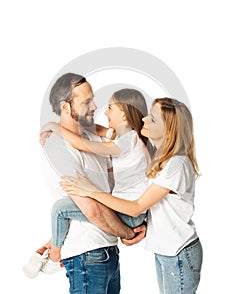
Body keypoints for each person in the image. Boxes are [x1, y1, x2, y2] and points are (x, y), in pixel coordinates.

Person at [61, 97, 203, 294]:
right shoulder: (162, 158)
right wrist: (146, 227)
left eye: (152, 119)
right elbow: (160, 205)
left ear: (169, 131)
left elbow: (137, 206)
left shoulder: (175, 165)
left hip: (179, 252)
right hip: (168, 250)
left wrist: (91, 191)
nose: (144, 119)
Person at [23, 73, 145, 294]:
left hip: (107, 252)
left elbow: (101, 195)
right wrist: (128, 233)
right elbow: (90, 208)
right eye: (86, 101)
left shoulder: (94, 139)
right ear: (66, 107)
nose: (95, 106)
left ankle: (53, 250)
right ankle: (54, 253)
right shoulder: (58, 147)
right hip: (87, 257)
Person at [40, 88, 152, 265]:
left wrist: (53, 127)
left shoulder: (126, 141)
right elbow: (96, 129)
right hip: (129, 211)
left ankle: (55, 256)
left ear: (124, 115)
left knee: (60, 209)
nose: (105, 112)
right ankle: (52, 244)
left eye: (110, 107)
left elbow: (82, 144)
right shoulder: (125, 136)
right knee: (77, 208)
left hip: (128, 213)